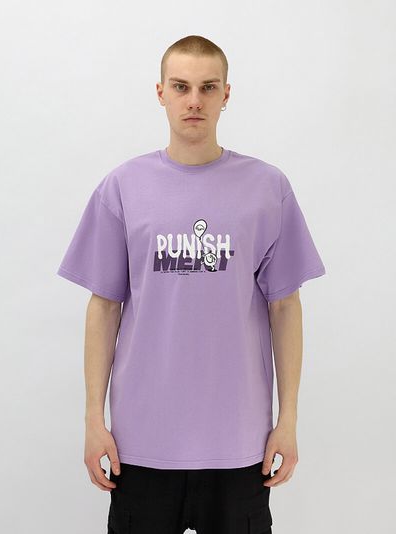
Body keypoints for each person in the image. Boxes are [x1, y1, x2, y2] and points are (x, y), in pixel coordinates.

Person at [57, 35, 326, 534]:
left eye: (208, 87)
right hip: (140, 444)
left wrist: (287, 420)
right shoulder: (123, 187)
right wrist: (94, 420)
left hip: (240, 445)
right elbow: (104, 306)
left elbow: (285, 307)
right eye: (181, 87)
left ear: (226, 94)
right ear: (161, 93)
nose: (194, 100)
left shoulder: (268, 188)